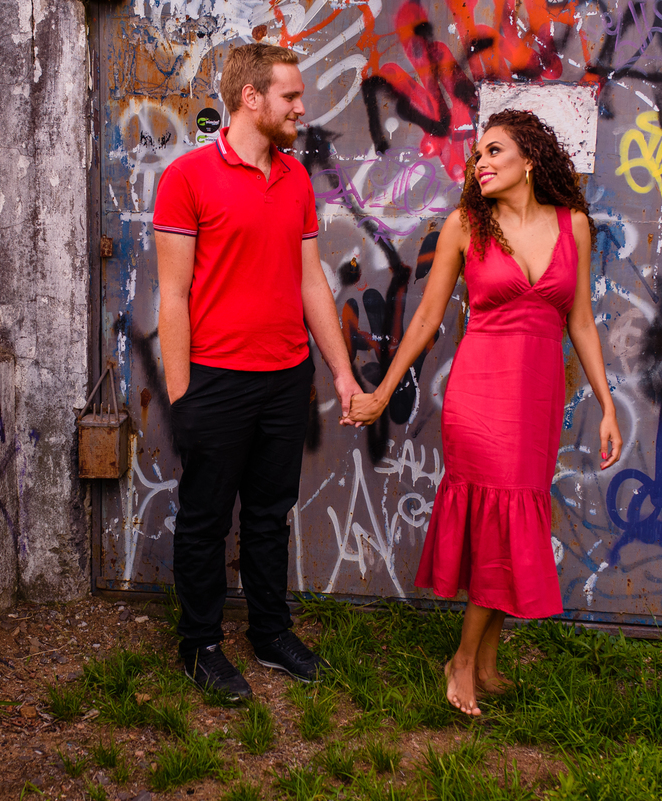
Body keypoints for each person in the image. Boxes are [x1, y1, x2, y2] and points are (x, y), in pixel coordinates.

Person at [347, 109, 623, 715]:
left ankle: (489, 661)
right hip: (479, 392)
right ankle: (464, 661)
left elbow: (579, 321)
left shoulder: (572, 225)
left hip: (538, 396)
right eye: (478, 156)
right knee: (501, 516)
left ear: (530, 159)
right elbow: (425, 320)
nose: (482, 163)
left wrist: (606, 404)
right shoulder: (465, 226)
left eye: (495, 152)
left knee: (515, 514)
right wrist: (384, 390)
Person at [152, 43, 363, 700]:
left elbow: (310, 284)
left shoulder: (295, 179)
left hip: (284, 377)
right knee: (207, 517)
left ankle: (271, 632)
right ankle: (201, 643)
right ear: (252, 98)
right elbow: (173, 295)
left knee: (270, 513)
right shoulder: (186, 177)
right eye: (291, 97)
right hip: (215, 380)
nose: (303, 107)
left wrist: (342, 374)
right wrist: (183, 393)